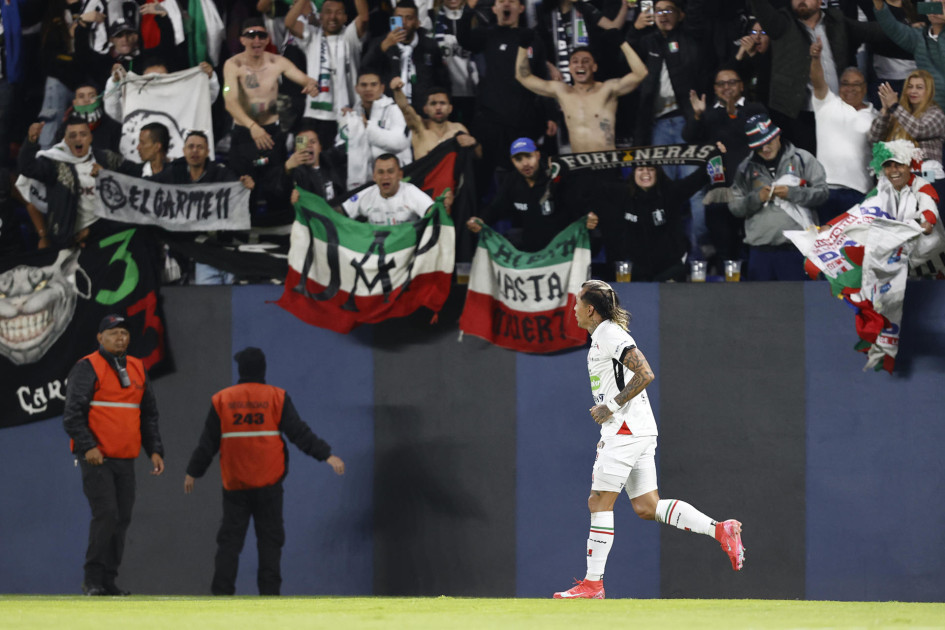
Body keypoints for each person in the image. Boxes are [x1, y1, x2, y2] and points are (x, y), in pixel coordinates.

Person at [553, 280, 744, 599]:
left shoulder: (610, 334)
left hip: (625, 429)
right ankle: (720, 529)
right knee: (646, 506)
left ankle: (592, 584)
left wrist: (610, 405)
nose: (573, 309)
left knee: (599, 501)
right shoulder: (606, 334)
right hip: (639, 428)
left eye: (577, 304)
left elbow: (645, 373)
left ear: (590, 309)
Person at [184, 347, 345, 596]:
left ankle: (220, 595)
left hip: (235, 485)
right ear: (263, 368)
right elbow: (299, 433)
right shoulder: (276, 397)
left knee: (229, 542)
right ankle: (270, 597)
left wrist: (193, 471)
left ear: (241, 369)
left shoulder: (222, 399)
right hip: (269, 485)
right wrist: (327, 455)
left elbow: (208, 443)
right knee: (270, 543)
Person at [63, 314, 165, 596]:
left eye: (124, 333)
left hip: (125, 458)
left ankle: (108, 581)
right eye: (113, 333)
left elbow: (148, 415)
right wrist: (88, 446)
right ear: (100, 338)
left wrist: (155, 450)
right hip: (97, 458)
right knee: (106, 514)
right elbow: (72, 415)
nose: (120, 337)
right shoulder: (87, 367)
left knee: (122, 518)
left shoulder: (137, 367)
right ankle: (92, 580)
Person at [748, 0, 891, 155]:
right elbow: (759, 5)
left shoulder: (836, 21)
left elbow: (874, 31)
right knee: (806, 168)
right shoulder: (782, 23)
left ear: (820, 2)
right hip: (798, 115)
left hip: (837, 111)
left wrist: (908, 29)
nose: (801, 2)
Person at [729, 112, 829, 281]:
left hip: (796, 249)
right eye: (759, 146)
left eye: (768, 142)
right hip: (760, 251)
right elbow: (734, 206)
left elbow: (823, 193)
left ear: (777, 135)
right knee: (760, 306)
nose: (765, 149)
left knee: (797, 305)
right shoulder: (744, 169)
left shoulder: (802, 159)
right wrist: (756, 199)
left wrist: (793, 193)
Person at [684, 67, 765, 268]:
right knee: (724, 250)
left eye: (731, 82)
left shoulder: (756, 110)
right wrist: (697, 116)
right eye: (721, 84)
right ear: (715, 89)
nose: (726, 87)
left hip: (751, 191)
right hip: (719, 192)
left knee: (753, 248)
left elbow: (754, 137)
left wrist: (733, 112)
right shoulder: (709, 114)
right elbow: (689, 137)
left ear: (741, 86)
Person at [17, 117, 141, 247]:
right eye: (73, 135)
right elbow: (27, 168)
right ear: (65, 140)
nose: (78, 139)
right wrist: (31, 141)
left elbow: (136, 175)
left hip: (104, 234)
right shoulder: (54, 162)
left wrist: (107, 176)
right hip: (66, 240)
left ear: (90, 137)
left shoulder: (105, 158)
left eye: (83, 134)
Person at [466, 137, 598, 252]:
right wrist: (481, 220)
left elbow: (577, 203)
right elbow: (496, 207)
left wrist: (588, 217)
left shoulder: (555, 177)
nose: (525, 164)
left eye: (529, 156)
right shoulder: (511, 181)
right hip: (529, 244)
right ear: (512, 161)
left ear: (538, 155)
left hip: (560, 245)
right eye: (518, 159)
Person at [515, 41, 648, 153]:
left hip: (606, 164)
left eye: (586, 61)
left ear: (594, 67)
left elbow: (640, 73)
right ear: (570, 68)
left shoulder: (608, 89)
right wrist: (523, 46)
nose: (580, 65)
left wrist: (622, 43)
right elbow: (523, 77)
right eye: (575, 62)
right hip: (579, 166)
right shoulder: (563, 91)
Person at [284, 0, 370, 150]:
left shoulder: (350, 36)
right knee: (304, 154)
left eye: (338, 13)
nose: (333, 17)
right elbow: (289, 22)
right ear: (321, 16)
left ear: (345, 17)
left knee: (339, 165)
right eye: (328, 12)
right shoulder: (312, 35)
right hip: (312, 114)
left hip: (346, 114)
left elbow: (364, 18)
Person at [810, 39, 877, 225]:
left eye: (856, 84)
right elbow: (817, 82)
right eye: (846, 84)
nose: (851, 89)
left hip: (859, 191)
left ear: (864, 88)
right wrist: (815, 58)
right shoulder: (827, 104)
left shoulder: (876, 116)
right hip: (825, 189)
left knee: (855, 246)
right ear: (839, 86)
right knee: (825, 245)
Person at [868, 69, 945, 195]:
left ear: (929, 91)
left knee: (923, 213)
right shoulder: (898, 114)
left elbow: (918, 130)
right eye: (910, 87)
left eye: (919, 87)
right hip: (899, 178)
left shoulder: (937, 114)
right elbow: (874, 138)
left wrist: (894, 106)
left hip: (927, 176)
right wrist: (885, 111)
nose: (913, 91)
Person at [362, 0, 448, 112]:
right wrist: (382, 47)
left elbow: (442, 81)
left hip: (422, 113)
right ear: (392, 20)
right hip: (389, 112)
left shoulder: (429, 46)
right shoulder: (380, 44)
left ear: (417, 22)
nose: (403, 23)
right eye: (399, 18)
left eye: (409, 18)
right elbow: (364, 69)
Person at [336, 70, 412, 191]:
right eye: (364, 85)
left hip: (393, 180)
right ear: (356, 89)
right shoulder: (352, 114)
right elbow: (340, 146)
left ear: (382, 88)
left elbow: (400, 143)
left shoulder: (394, 109)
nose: (368, 89)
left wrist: (368, 127)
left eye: (373, 84)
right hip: (362, 182)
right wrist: (345, 124)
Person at [390, 78, 479, 159]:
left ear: (450, 108)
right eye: (433, 103)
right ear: (425, 109)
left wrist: (474, 143)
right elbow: (406, 109)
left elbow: (478, 156)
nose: (438, 107)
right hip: (426, 176)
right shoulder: (419, 128)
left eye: (442, 103)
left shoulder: (458, 129)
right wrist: (397, 91)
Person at [341, 153, 439, 225]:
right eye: (380, 172)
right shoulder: (367, 195)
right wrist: (325, 208)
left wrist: (443, 207)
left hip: (407, 250)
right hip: (377, 250)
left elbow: (433, 212)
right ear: (374, 176)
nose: (385, 177)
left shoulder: (411, 192)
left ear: (400, 175)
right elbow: (341, 211)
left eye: (390, 171)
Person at [286, 122, 346, 202]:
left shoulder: (330, 161)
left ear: (320, 148)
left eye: (313, 142)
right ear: (296, 150)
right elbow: (280, 188)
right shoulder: (294, 173)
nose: (308, 145)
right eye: (303, 143)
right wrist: (286, 168)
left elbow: (349, 146)